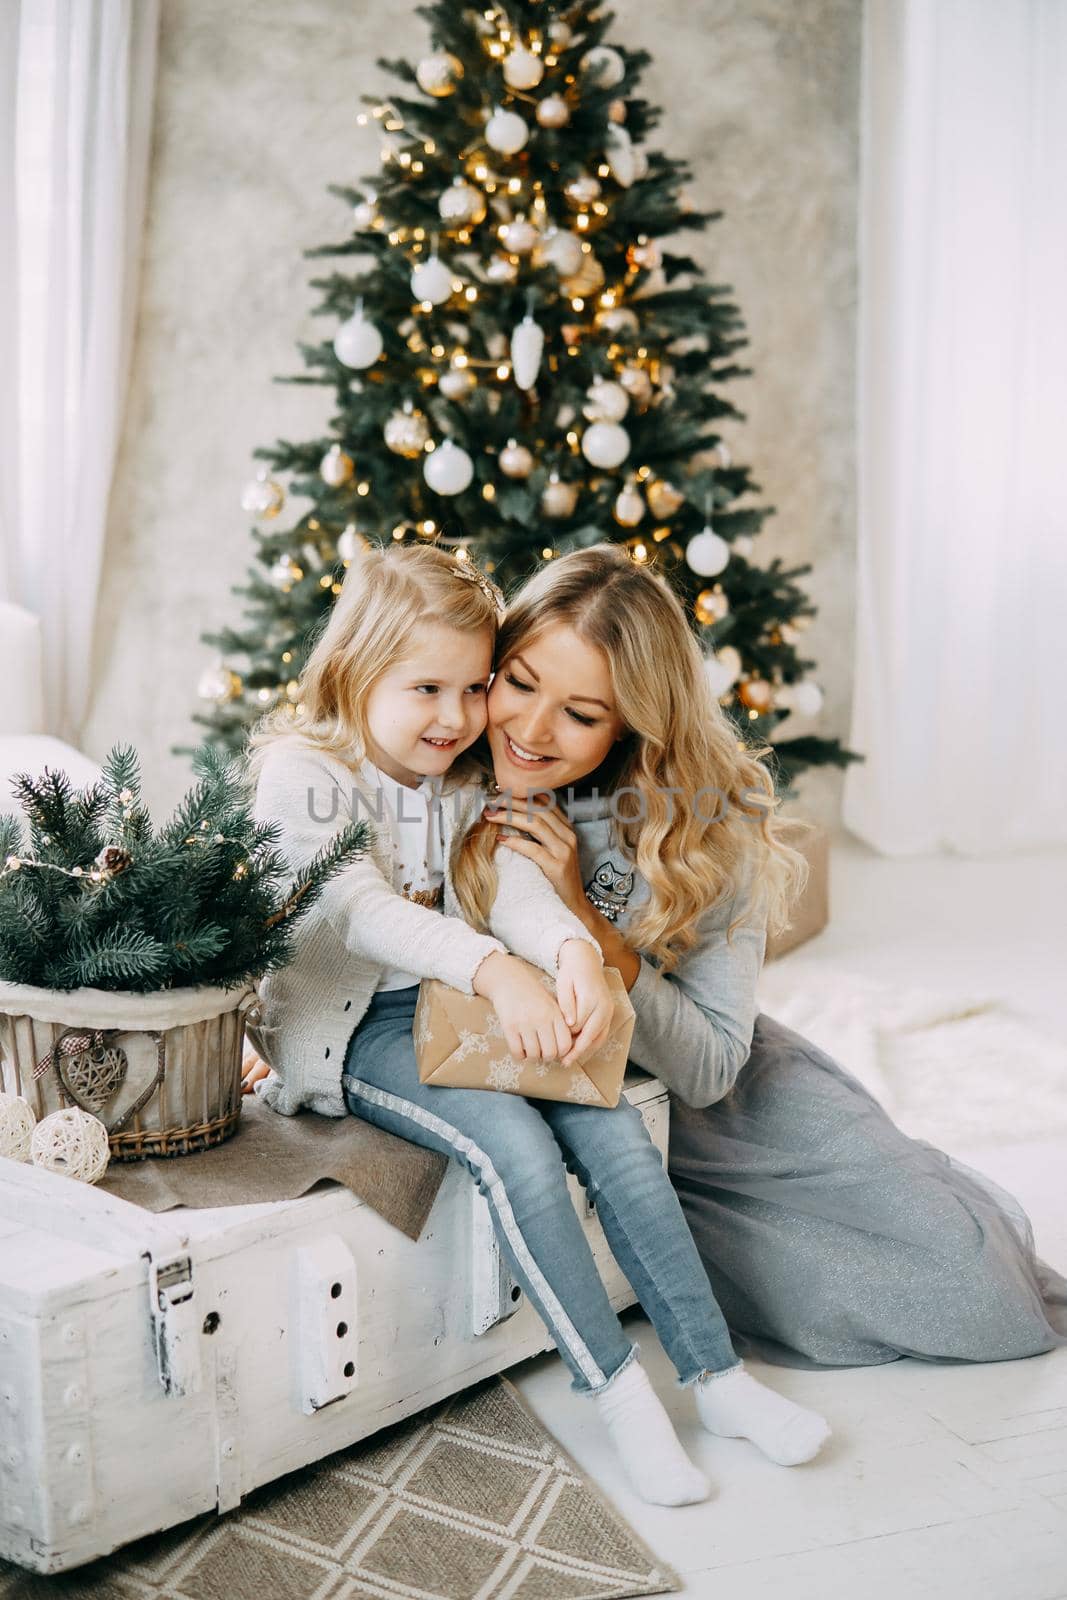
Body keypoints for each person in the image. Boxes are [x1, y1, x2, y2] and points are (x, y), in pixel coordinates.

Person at [244, 541, 830, 1508]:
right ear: (355, 671)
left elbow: (513, 882)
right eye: (426, 688)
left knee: (610, 1127)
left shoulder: (461, 778)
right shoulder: (309, 773)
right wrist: (498, 969)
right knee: (516, 1149)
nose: (456, 716)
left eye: (472, 689)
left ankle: (717, 1378)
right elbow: (356, 906)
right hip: (356, 1033)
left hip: (463, 1004)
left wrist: (571, 957)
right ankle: (621, 1398)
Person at [463, 543, 1067, 1372]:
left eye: (580, 712)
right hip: (573, 1113)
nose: (530, 730)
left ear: (634, 719)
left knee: (974, 1289)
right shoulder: (439, 761)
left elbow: (711, 1068)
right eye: (521, 682)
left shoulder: (707, 824)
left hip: (718, 1117)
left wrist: (592, 929)